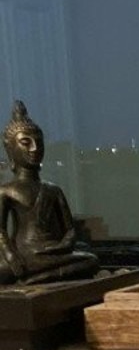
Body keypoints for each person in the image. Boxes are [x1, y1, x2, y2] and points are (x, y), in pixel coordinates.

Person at [0, 100, 98, 285]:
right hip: (23, 254)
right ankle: (33, 276)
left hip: (52, 252)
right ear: (11, 149)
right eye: (25, 143)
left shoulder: (53, 190)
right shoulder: (6, 191)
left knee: (90, 260)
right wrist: (12, 257)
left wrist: (64, 245)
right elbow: (1, 232)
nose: (34, 148)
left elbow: (69, 230)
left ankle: (34, 279)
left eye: (38, 142)